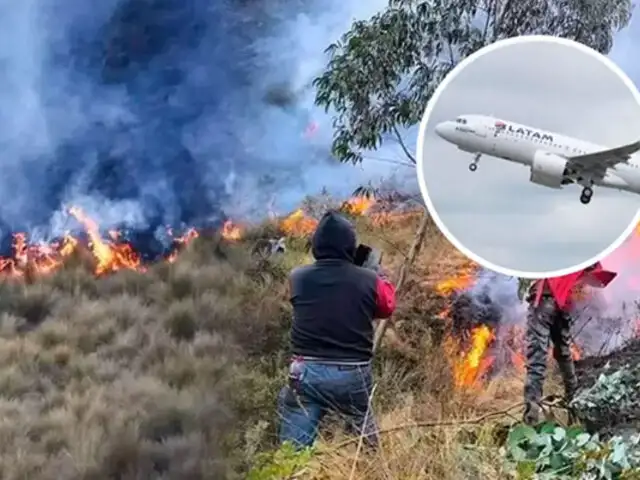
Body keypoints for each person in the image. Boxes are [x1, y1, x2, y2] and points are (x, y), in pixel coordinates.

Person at [278, 210, 397, 449]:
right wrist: (376, 274)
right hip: (352, 374)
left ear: (316, 245)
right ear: (350, 246)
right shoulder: (369, 280)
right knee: (365, 446)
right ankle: (369, 468)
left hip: (305, 373)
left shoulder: (298, 277)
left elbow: (300, 301)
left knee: (292, 452)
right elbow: (387, 308)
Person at [521, 262, 616, 425]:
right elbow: (594, 271)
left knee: (537, 359)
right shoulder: (580, 253)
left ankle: (531, 418)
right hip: (562, 304)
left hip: (544, 300)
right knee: (564, 354)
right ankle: (575, 407)